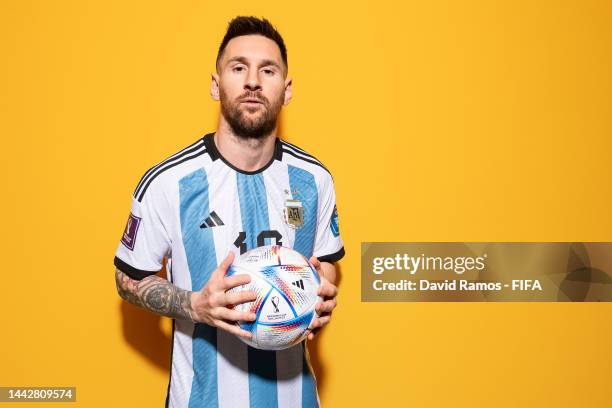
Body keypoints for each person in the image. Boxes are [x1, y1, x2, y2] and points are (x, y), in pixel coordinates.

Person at [113, 16, 345, 408]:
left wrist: (320, 294)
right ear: (216, 84)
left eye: (267, 70)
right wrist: (194, 305)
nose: (252, 81)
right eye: (238, 68)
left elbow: (327, 264)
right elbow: (127, 278)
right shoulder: (170, 181)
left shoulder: (314, 179)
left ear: (286, 90)